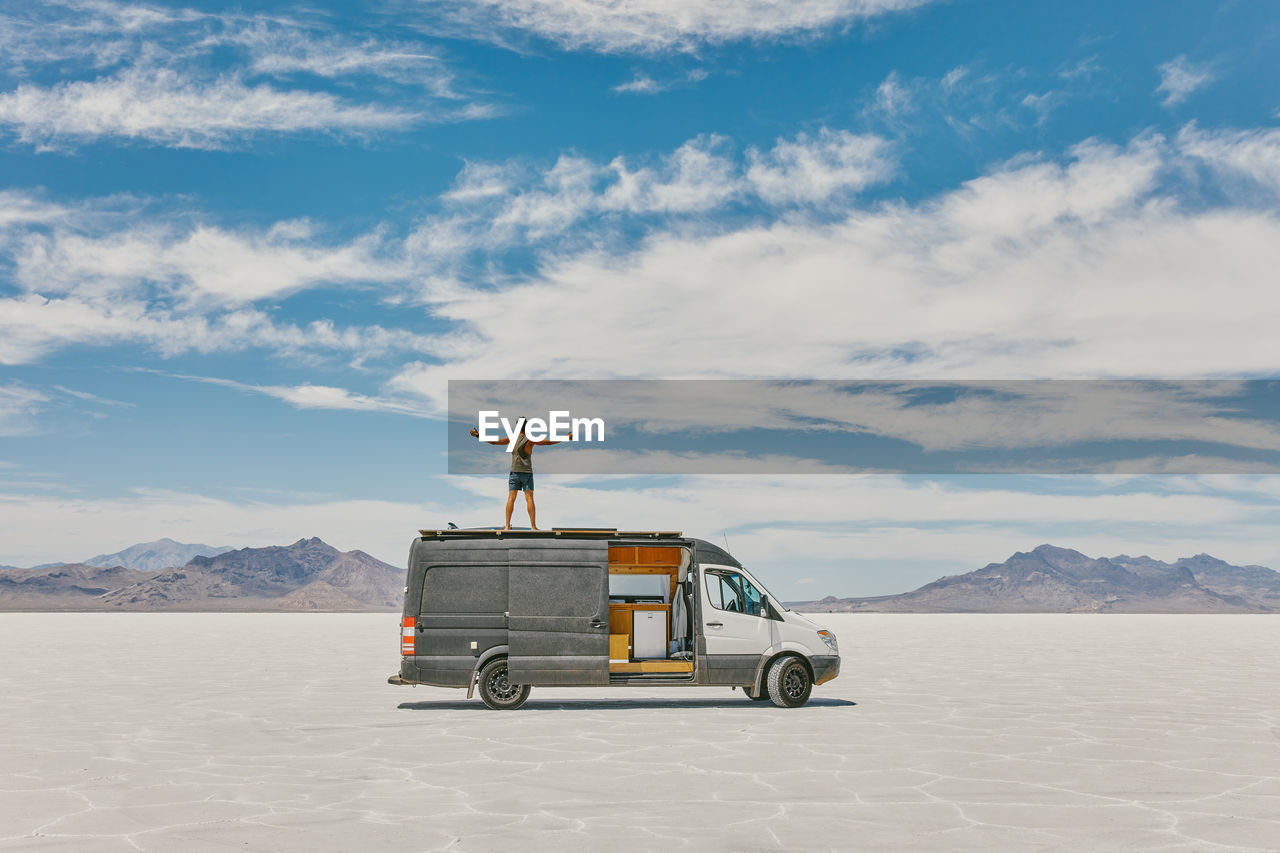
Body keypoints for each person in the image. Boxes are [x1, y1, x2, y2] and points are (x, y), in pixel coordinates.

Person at [469, 417, 560, 530]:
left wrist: (479, 435)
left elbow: (495, 442)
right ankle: (533, 526)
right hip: (526, 472)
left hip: (514, 472)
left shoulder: (512, 438)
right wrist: (566, 437)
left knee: (511, 498)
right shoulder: (530, 439)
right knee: (529, 498)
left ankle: (507, 526)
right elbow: (549, 442)